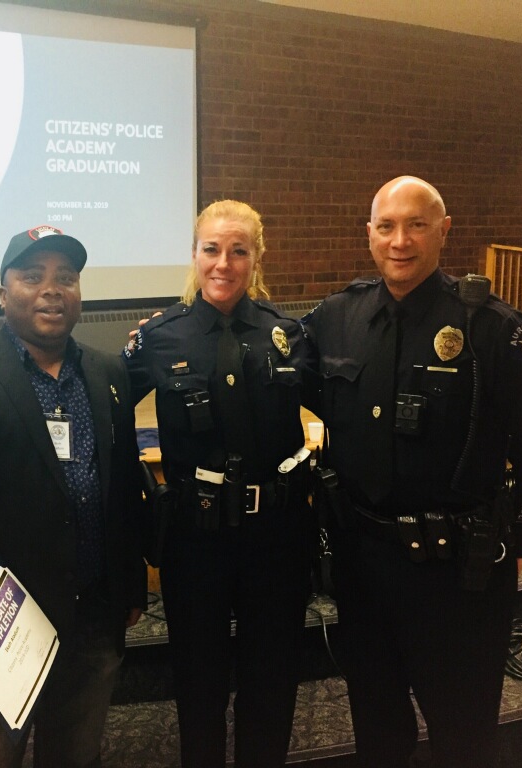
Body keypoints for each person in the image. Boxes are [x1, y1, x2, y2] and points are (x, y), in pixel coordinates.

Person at [300, 176, 522, 768]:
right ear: (369, 233)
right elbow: (272, 366)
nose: (400, 241)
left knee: (463, 734)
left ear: (444, 231)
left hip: (457, 578)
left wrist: (514, 538)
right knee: (376, 728)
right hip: (364, 568)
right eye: (386, 226)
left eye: (416, 225)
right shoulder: (336, 318)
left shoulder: (492, 328)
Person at [0, 226, 147, 768]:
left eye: (66, 277)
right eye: (32, 276)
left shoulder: (108, 372)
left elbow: (123, 487)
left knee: (77, 757)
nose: (52, 289)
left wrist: (129, 585)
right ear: (2, 293)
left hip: (93, 615)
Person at [122, 200, 315, 767]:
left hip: (275, 537)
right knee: (198, 682)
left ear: (257, 257)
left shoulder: (288, 335)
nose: (223, 264)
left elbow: (345, 410)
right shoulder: (159, 337)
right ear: (194, 254)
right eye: (211, 249)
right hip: (195, 540)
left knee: (271, 681)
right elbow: (104, 412)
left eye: (238, 251)